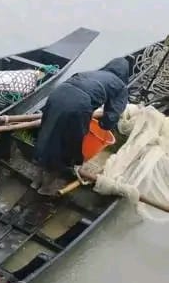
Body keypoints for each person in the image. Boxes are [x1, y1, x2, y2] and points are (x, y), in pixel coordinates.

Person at [33, 57, 131, 195]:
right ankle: (45, 188)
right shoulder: (120, 86)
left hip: (57, 95)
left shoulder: (92, 72)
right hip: (78, 105)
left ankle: (36, 181)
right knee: (66, 147)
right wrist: (105, 124)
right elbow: (113, 114)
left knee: (47, 135)